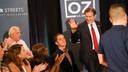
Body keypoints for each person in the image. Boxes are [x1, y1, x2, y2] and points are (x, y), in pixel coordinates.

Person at [68, 7, 103, 72]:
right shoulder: (81, 26)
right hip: (89, 56)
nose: (88, 18)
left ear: (95, 16)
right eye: (86, 16)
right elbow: (74, 40)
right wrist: (73, 30)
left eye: (90, 16)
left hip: (100, 53)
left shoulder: (99, 24)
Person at [98, 3, 128, 72]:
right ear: (125, 16)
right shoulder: (126, 33)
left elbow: (100, 61)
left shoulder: (103, 36)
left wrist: (112, 67)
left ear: (110, 19)